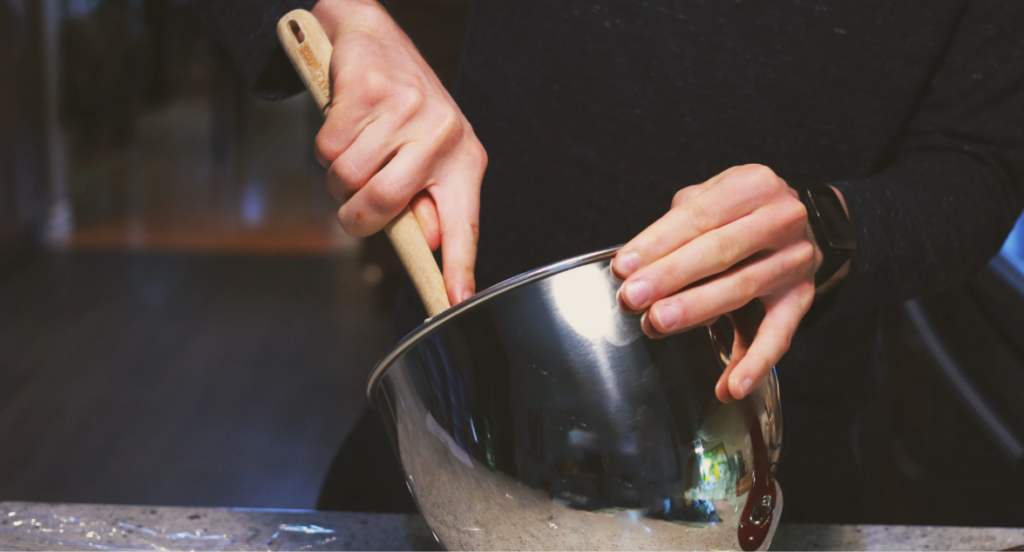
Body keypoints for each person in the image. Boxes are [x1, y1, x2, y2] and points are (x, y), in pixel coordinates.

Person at [193, 0, 1024, 522]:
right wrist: (345, 17)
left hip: (752, 479)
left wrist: (836, 228)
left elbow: (982, 161)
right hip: (461, 446)